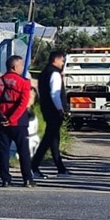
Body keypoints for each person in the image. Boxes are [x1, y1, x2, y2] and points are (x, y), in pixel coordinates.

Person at [0, 54, 35, 187]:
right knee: (23, 151)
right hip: (18, 122)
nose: (22, 67)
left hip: (1, 122)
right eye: (21, 65)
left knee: (3, 151)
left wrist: (0, 117)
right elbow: (23, 103)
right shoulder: (24, 82)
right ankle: (27, 179)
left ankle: (5, 179)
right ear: (15, 67)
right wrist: (12, 118)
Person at [31, 51, 70, 179]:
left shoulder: (44, 73)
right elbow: (55, 93)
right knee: (49, 139)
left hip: (46, 108)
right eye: (62, 60)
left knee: (53, 139)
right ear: (56, 60)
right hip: (54, 110)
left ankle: (60, 167)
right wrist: (60, 109)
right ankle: (34, 165)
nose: (63, 63)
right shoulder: (54, 73)